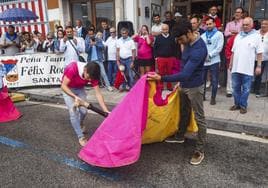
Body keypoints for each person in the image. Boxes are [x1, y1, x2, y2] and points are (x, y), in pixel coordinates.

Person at [147, 20, 208, 165]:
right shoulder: (186, 43)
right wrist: (179, 82)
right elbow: (183, 66)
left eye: (181, 39)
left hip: (194, 87)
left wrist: (161, 77)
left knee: (200, 118)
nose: (180, 42)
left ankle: (200, 150)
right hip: (184, 84)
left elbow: (186, 73)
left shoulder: (199, 49)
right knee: (183, 111)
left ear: (188, 33)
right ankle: (180, 136)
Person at [61, 61, 110, 146]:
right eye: (88, 77)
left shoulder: (92, 73)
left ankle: (79, 123)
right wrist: (75, 97)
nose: (90, 80)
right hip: (68, 89)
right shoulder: (72, 68)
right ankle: (81, 137)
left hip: (80, 89)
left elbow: (98, 93)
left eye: (91, 78)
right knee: (73, 113)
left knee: (84, 111)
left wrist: (105, 110)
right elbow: (63, 86)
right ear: (85, 69)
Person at [229, 17, 263, 114]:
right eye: (243, 24)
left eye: (247, 24)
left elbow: (259, 53)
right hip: (236, 68)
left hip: (247, 68)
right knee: (235, 88)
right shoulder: (238, 36)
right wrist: (231, 63)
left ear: (252, 25)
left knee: (246, 89)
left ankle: (243, 105)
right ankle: (237, 104)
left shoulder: (256, 36)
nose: (245, 26)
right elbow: (233, 52)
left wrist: (259, 66)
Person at [201, 17, 224, 105]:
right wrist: (204, 55)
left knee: (214, 80)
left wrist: (209, 55)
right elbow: (201, 47)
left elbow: (219, 48)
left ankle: (213, 98)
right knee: (202, 80)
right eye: (207, 24)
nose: (208, 26)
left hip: (214, 60)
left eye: (210, 24)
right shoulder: (203, 36)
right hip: (204, 61)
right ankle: (202, 95)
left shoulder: (219, 34)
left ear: (214, 24)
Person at [154, 24, 177, 90]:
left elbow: (174, 47)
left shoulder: (172, 37)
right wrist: (156, 57)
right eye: (163, 29)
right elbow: (155, 48)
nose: (165, 31)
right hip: (161, 58)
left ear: (168, 29)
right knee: (161, 73)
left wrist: (174, 56)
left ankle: (169, 86)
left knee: (170, 73)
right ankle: (160, 86)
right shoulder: (158, 38)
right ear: (161, 30)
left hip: (170, 58)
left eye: (166, 29)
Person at [253, 19, 268, 97]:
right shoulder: (256, 33)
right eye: (262, 24)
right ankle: (254, 88)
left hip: (265, 58)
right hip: (254, 57)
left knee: (260, 74)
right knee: (254, 73)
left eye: (265, 24)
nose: (263, 25)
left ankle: (258, 90)